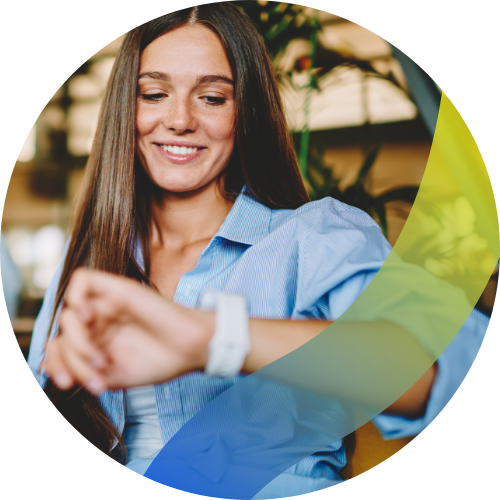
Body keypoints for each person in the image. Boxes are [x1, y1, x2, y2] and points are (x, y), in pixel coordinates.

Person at [27, 3, 487, 496]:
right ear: (125, 108)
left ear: (245, 111)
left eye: (212, 98)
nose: (179, 120)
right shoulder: (90, 264)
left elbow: (434, 366)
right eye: (155, 94)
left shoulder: (315, 237)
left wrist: (210, 337)